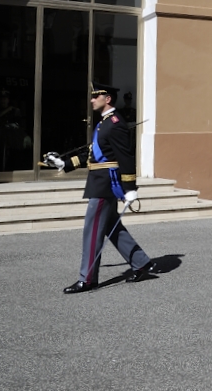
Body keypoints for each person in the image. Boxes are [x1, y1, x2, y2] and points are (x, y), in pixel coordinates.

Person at [42, 84, 155, 293]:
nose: (92, 100)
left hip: (105, 184)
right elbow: (93, 154)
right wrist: (64, 164)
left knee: (92, 230)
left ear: (108, 99)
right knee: (112, 227)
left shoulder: (115, 123)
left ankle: (88, 278)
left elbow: (126, 157)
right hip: (100, 180)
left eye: (96, 97)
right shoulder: (104, 124)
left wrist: (130, 187)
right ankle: (141, 262)